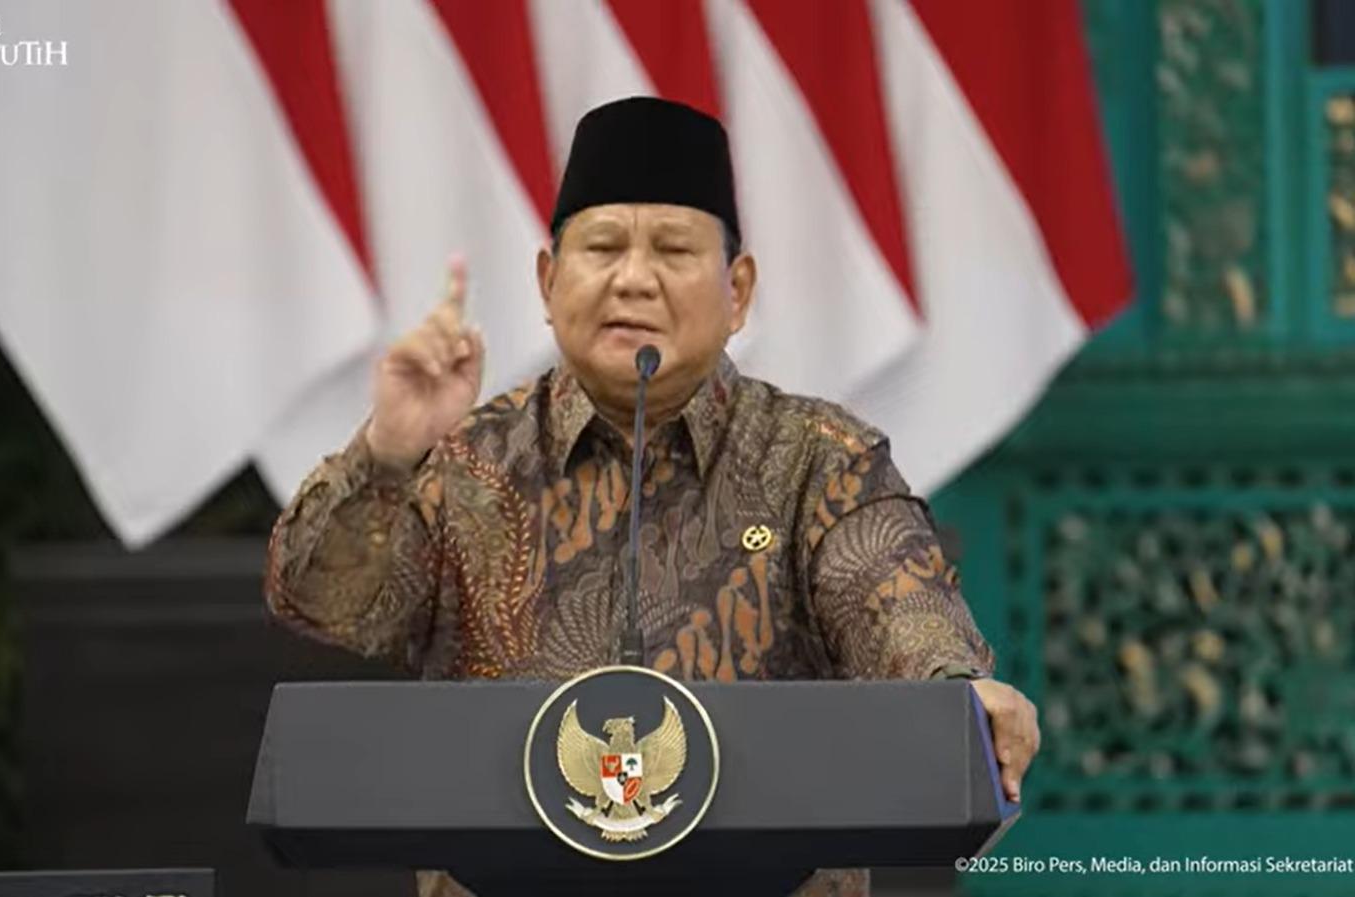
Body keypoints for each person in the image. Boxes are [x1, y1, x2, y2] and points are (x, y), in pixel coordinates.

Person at [264, 96, 1039, 897]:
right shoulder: (467, 459)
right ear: (548, 280)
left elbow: (892, 595)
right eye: (602, 247)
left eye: (673, 249)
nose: (633, 278)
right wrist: (388, 451)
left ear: (737, 291)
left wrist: (954, 688)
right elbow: (321, 603)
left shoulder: (818, 460)